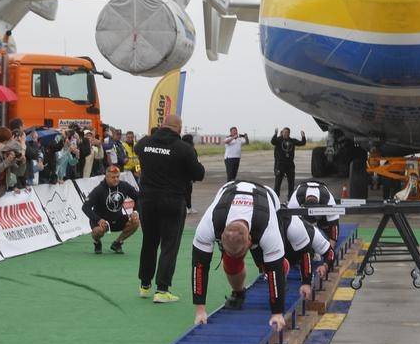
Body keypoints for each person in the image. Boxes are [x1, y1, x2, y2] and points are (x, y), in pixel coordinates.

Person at [191, 181, 287, 330]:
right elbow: (199, 267)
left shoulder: (268, 229)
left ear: (250, 241)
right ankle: (238, 293)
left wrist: (277, 313)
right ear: (221, 235)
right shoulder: (209, 224)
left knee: (271, 265)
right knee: (231, 263)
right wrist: (200, 310)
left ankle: (277, 288)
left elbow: (276, 269)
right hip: (229, 190)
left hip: (267, 198)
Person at [135, 114, 205, 303]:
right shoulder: (183, 149)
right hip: (172, 201)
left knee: (149, 242)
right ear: (179, 129)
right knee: (169, 244)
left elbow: (138, 150)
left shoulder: (144, 143)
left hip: (147, 200)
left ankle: (144, 284)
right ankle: (162, 289)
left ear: (162, 125)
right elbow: (199, 174)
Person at [82, 165, 140, 254]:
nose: (116, 179)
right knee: (98, 231)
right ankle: (97, 242)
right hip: (101, 222)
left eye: (117, 177)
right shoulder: (99, 189)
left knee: (136, 222)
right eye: (113, 177)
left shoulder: (124, 186)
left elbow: (138, 198)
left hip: (117, 219)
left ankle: (117, 243)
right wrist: (98, 220)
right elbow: (85, 207)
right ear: (106, 177)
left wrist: (135, 212)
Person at [287, 180, 340, 246]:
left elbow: (334, 227)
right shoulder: (296, 199)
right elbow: (287, 222)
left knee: (325, 235)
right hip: (302, 219)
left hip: (322, 221)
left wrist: (329, 249)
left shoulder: (328, 200)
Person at [271, 127, 306, 200]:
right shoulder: (279, 140)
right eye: (284, 132)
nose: (286, 134)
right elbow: (273, 141)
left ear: (289, 133)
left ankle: (290, 198)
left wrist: (303, 136)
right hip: (280, 165)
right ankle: (276, 198)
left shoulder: (292, 140)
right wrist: (275, 134)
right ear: (282, 132)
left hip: (290, 165)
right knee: (277, 183)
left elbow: (302, 143)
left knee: (291, 183)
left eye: (287, 132)